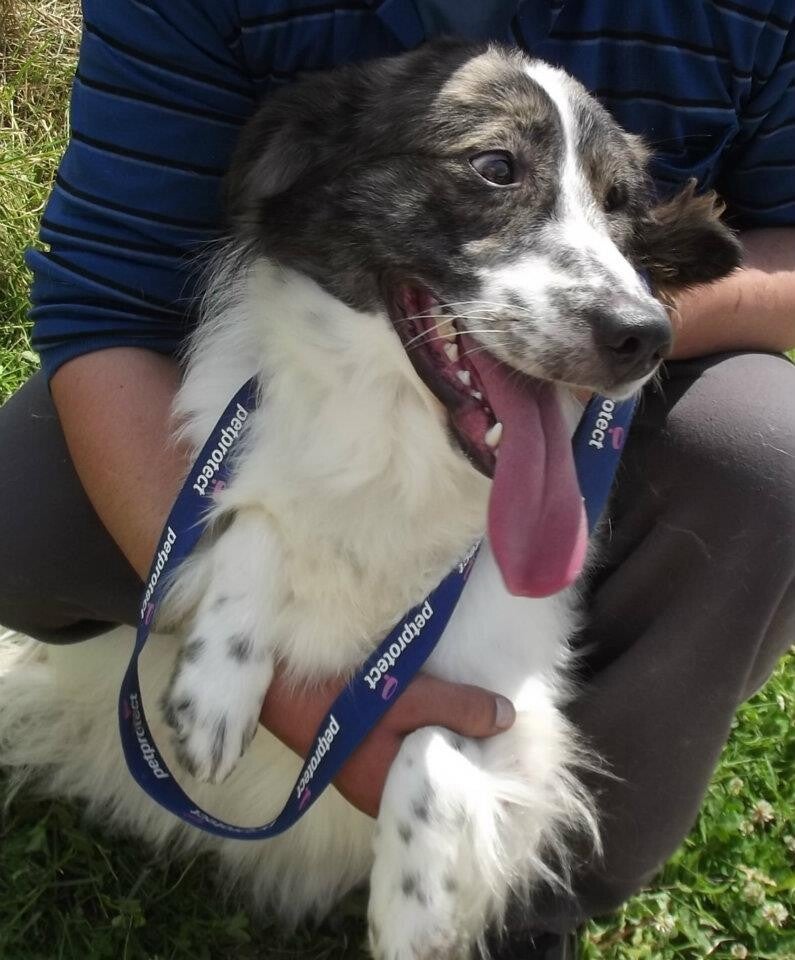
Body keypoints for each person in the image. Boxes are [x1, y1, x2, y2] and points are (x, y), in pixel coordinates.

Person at [1, 2, 793, 957]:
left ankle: (523, 909)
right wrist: (284, 676)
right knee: (26, 498)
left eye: (615, 201)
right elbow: (103, 293)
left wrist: (602, 324)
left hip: (583, 399)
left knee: (766, 453)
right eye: (494, 169)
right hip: (329, 351)